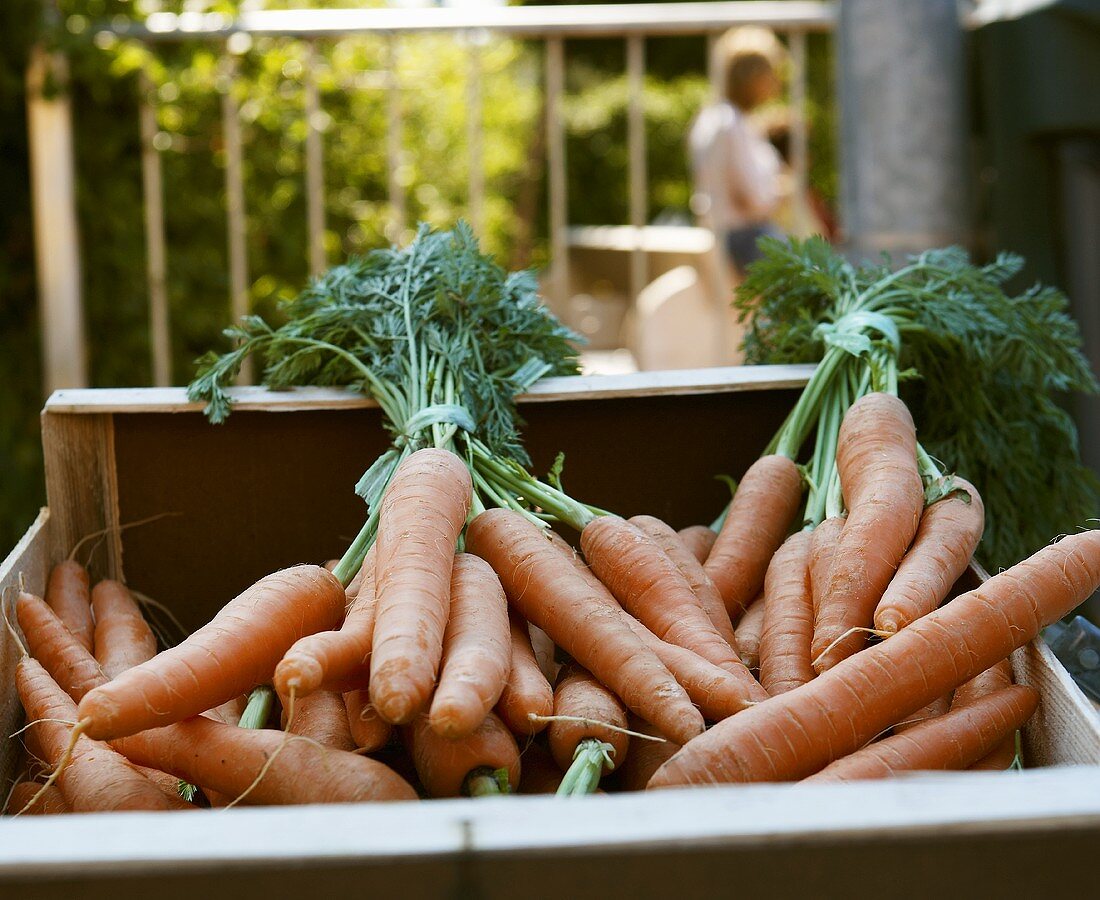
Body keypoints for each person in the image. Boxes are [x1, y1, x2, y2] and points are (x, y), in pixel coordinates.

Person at [689, 27, 790, 272]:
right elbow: (752, 198)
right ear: (751, 77)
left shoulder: (718, 118)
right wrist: (781, 191)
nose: (776, 83)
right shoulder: (729, 124)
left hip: (735, 233)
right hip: (746, 237)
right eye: (770, 74)